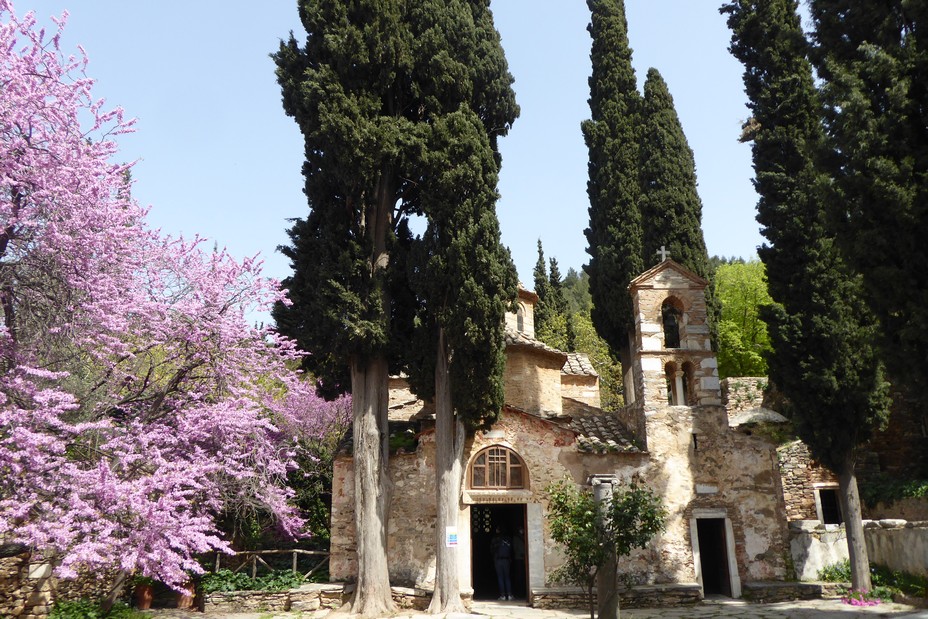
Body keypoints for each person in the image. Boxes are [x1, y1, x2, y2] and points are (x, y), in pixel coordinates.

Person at [490, 527, 513, 600]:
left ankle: (502, 595)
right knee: (507, 577)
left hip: (498, 560)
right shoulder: (508, 539)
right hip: (506, 560)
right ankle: (509, 595)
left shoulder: (495, 539)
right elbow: (512, 549)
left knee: (500, 577)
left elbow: (491, 550)